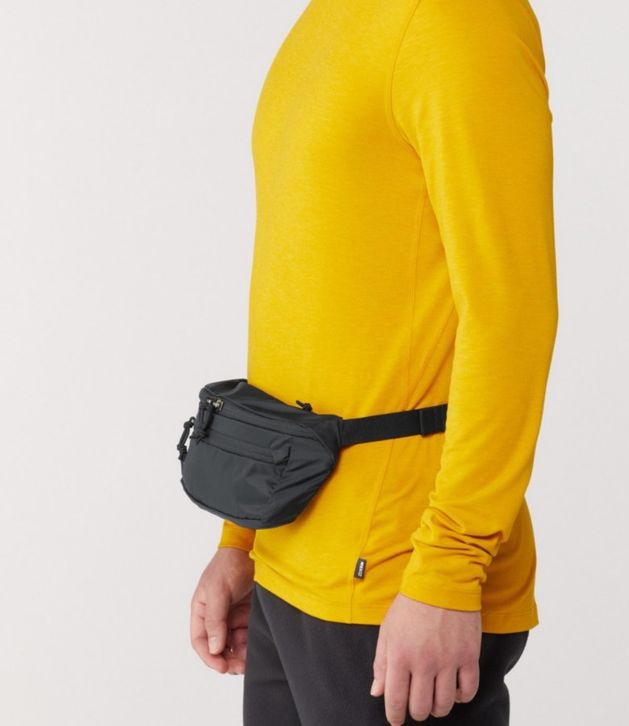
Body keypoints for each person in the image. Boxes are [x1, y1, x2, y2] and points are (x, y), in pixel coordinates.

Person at [190, 0, 558, 724]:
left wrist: (448, 567)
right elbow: (306, 303)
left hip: (400, 575)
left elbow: (511, 314)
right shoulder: (324, 21)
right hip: (288, 555)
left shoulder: (463, 22)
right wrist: (243, 534)